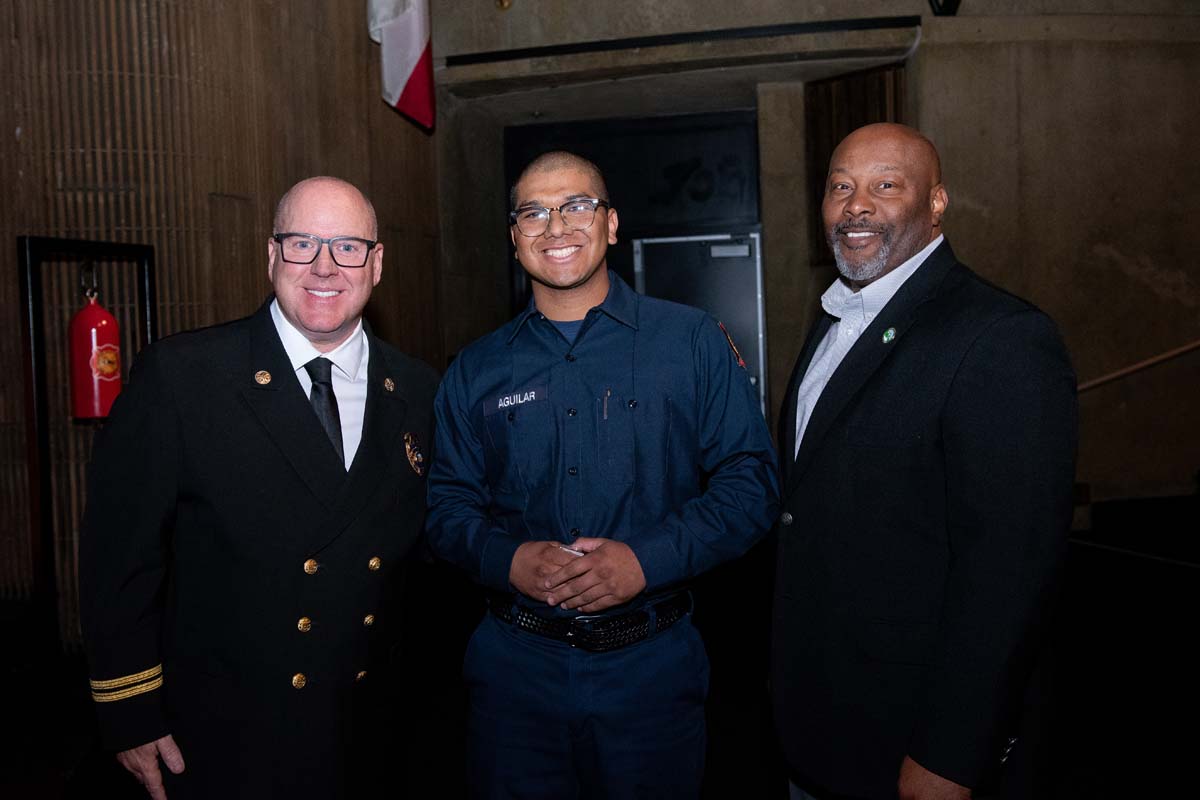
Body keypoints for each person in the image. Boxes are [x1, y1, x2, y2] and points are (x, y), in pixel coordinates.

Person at [426, 151, 779, 798]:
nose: (555, 226)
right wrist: (508, 561)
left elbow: (750, 483)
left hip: (651, 671)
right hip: (514, 680)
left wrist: (645, 562)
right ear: (515, 237)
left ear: (612, 224)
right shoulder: (475, 370)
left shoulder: (692, 341)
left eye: (577, 205)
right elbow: (445, 508)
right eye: (533, 212)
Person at [79, 176, 439, 799]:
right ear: (272, 255)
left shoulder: (418, 390)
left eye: (348, 247)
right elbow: (119, 556)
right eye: (302, 243)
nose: (324, 266)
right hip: (225, 733)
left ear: (376, 264)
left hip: (369, 730)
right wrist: (131, 709)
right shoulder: (183, 377)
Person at [771, 123, 1078, 800]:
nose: (856, 205)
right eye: (840, 187)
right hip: (821, 723)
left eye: (886, 185)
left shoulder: (999, 337)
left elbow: (1010, 572)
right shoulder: (832, 318)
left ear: (936, 203)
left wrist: (951, 753)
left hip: (915, 745)